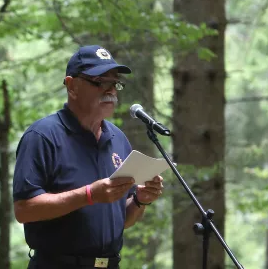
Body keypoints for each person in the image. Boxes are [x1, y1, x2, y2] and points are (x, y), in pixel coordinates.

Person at [12, 45, 164, 269]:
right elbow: (24, 209)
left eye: (115, 83)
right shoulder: (42, 136)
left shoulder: (118, 139)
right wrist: (89, 195)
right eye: (100, 82)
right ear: (72, 86)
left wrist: (141, 200)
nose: (111, 90)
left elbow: (122, 220)